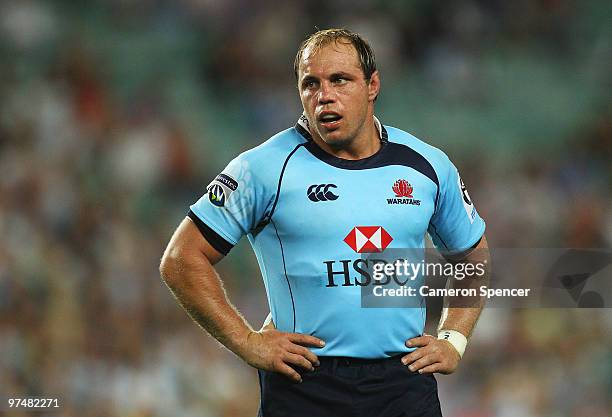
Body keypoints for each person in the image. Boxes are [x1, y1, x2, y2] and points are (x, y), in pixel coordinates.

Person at [160, 28, 490, 417]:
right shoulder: (264, 168)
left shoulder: (426, 165)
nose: (324, 96)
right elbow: (182, 259)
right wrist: (247, 342)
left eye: (339, 80)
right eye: (310, 84)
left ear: (372, 85)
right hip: (306, 385)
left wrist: (453, 339)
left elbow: (472, 258)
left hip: (404, 384)